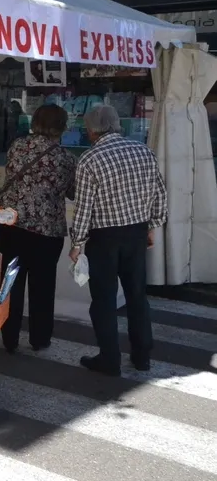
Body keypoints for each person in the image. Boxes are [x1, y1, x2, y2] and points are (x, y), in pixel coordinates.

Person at [70, 104, 167, 376]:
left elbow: (84, 208)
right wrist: (152, 225)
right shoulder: (143, 151)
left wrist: (77, 244)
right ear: (116, 125)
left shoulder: (89, 159)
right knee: (137, 296)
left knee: (104, 299)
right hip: (136, 233)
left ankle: (109, 358)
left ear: (91, 131)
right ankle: (142, 356)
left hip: (104, 238)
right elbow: (159, 194)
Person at [0, 105, 76, 353]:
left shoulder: (18, 146)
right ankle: (40, 339)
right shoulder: (65, 158)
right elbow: (72, 192)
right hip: (46, 231)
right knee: (43, 286)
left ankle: (9, 337)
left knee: (11, 282)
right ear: (62, 126)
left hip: (13, 225)